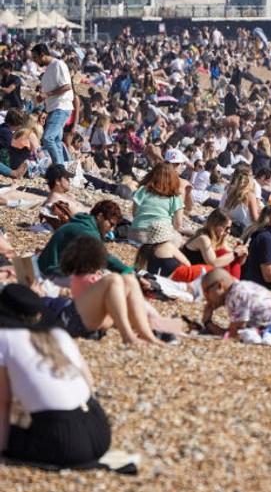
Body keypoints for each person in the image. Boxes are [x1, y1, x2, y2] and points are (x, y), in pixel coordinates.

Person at [0, 284, 111, 469]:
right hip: (99, 430)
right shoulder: (58, 333)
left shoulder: (5, 339)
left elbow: (3, 404)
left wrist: (2, 450)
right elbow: (90, 383)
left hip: (64, 443)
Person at [32, 43, 75, 166]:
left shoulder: (58, 65)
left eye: (35, 57)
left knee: (47, 138)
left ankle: (59, 169)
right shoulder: (49, 69)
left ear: (42, 54)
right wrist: (45, 108)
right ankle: (63, 169)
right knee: (56, 140)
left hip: (61, 107)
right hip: (53, 108)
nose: (35, 61)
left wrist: (47, 95)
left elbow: (67, 86)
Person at [130, 162, 189, 242]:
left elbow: (134, 213)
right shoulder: (175, 195)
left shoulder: (143, 190)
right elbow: (178, 224)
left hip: (136, 234)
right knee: (180, 239)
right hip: (160, 235)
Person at [181, 209, 247, 280]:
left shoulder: (220, 240)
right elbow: (213, 263)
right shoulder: (204, 238)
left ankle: (232, 286)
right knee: (224, 253)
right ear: (215, 225)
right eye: (226, 228)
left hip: (203, 275)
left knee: (230, 256)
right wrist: (235, 253)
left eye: (229, 228)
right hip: (189, 274)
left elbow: (234, 260)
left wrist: (241, 256)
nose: (229, 231)